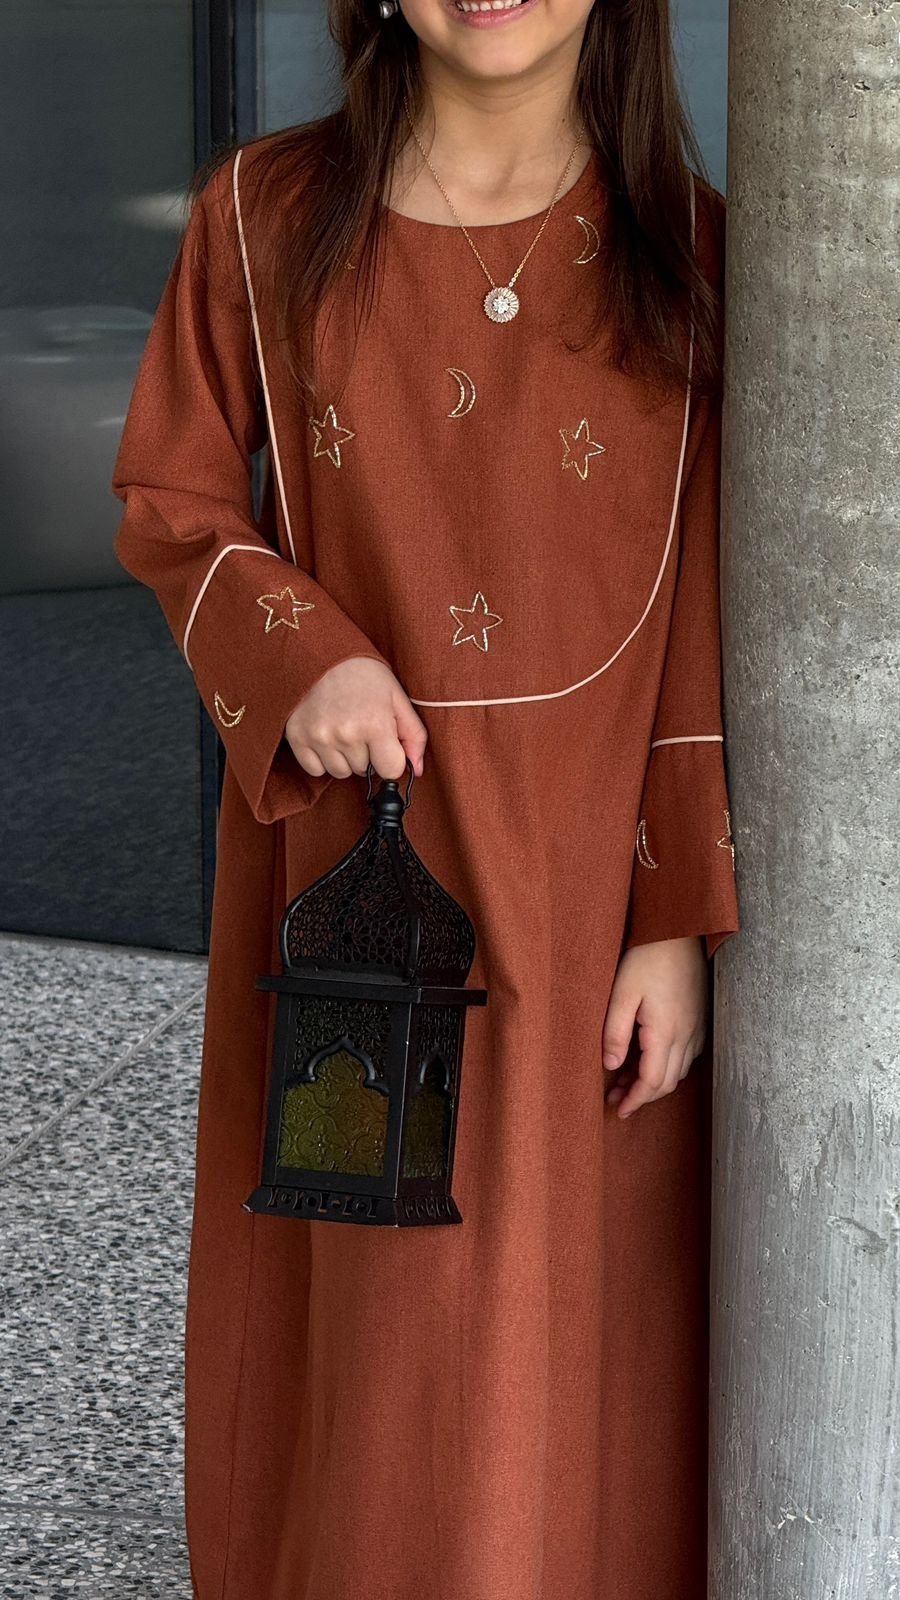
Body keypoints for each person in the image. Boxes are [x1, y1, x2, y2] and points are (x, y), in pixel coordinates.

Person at [110, 0, 740, 1593]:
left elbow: (707, 615)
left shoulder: (696, 253)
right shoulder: (259, 218)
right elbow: (175, 500)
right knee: (383, 1338)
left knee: (579, 1327)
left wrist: (676, 918)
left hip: (591, 888)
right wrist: (299, 653)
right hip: (360, 879)